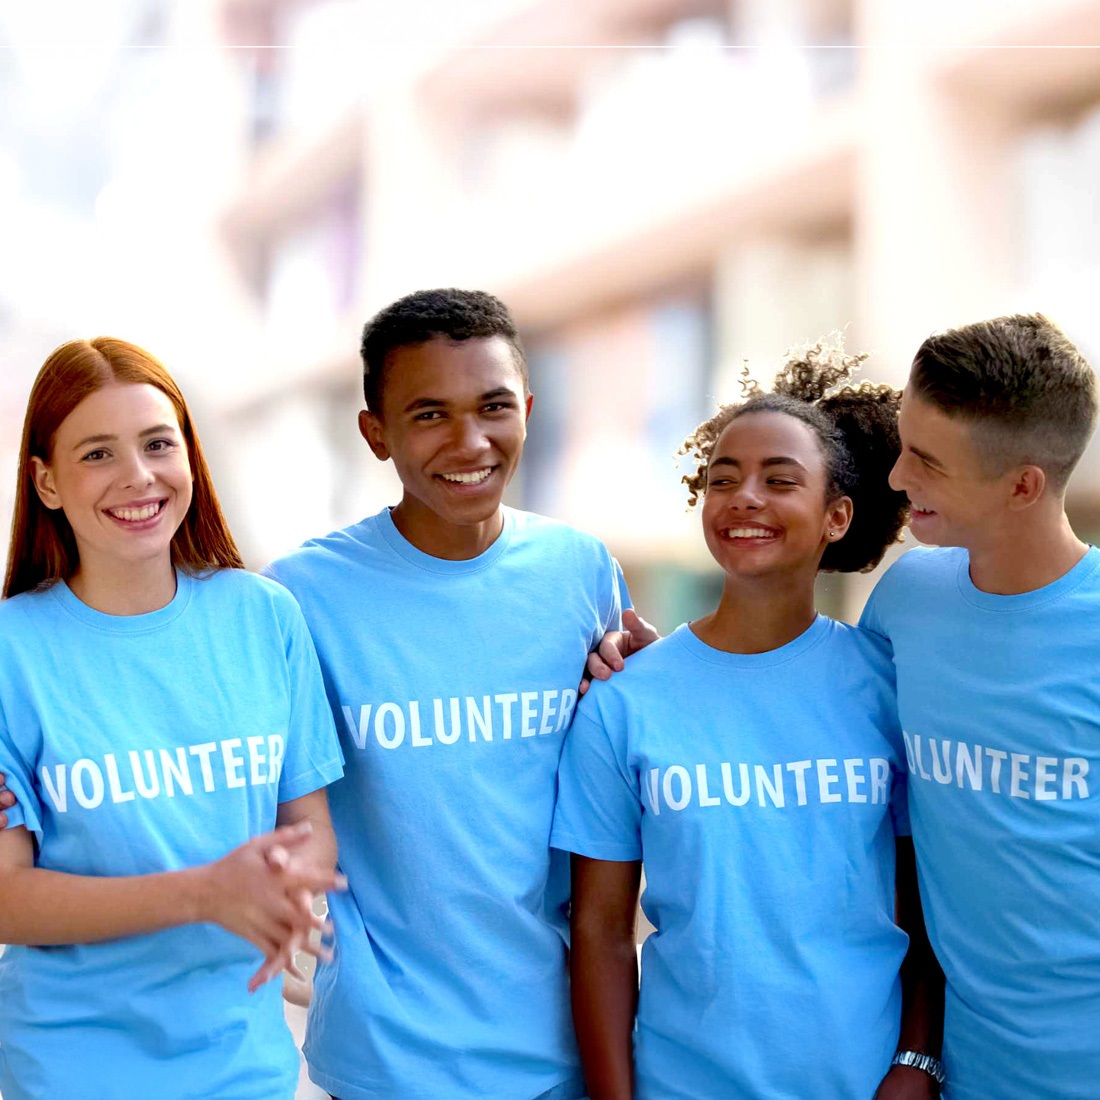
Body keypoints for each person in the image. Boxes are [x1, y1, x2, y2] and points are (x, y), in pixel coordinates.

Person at [552, 342, 944, 1099]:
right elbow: (599, 934)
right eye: (722, 479)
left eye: (779, 480)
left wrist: (917, 1059)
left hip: (866, 1082)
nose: (744, 498)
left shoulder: (887, 687)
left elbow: (929, 906)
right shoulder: (627, 701)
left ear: (837, 517)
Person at [263, 288, 626, 1100]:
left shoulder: (581, 571)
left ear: (528, 409)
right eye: (430, 414)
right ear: (376, 432)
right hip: (381, 1059)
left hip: (562, 1048)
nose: (471, 441)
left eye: (494, 406)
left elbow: (622, 778)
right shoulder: (300, 596)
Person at [0, 338, 345, 1100]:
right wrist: (203, 893)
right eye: (97, 454)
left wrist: (282, 886)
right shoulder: (10, 652)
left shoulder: (265, 617)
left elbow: (308, 824)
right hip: (70, 1073)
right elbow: (5, 898)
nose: (139, 476)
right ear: (46, 481)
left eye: (159, 443)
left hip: (243, 1067)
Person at [858, 314, 1100, 1100]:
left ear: (1022, 484)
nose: (896, 479)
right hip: (960, 1072)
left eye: (926, 462)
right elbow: (812, 715)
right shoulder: (906, 599)